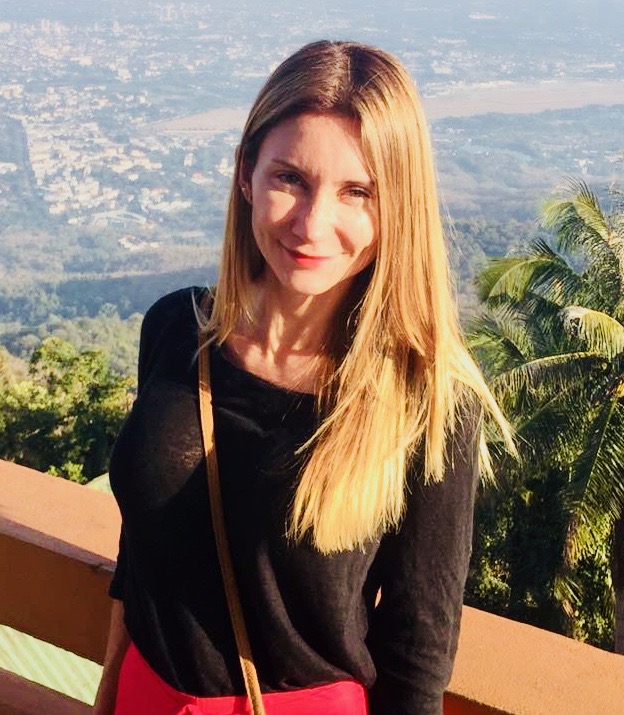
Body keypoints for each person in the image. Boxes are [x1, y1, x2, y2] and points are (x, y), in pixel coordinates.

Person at [94, 40, 512, 715]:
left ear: (398, 207)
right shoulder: (175, 329)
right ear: (246, 173)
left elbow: (417, 655)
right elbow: (139, 553)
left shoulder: (424, 400)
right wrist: (110, 690)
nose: (313, 224)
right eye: (290, 178)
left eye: (358, 192)